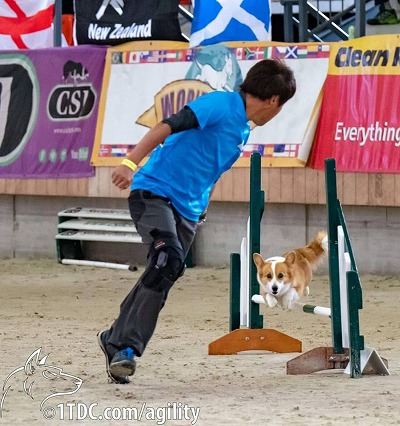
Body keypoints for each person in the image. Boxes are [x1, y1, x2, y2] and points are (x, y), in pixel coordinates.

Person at [98, 58, 296, 384]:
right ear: (274, 101)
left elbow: (209, 168)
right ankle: (126, 348)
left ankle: (115, 339)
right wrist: (129, 163)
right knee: (167, 260)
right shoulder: (220, 104)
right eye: (281, 106)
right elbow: (167, 126)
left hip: (188, 210)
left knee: (167, 270)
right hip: (154, 192)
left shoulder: (243, 128)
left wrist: (202, 207)